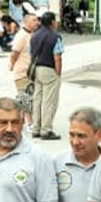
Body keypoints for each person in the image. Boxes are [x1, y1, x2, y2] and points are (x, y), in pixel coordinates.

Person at [30, 12, 64, 140]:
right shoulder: (55, 36)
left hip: (36, 68)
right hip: (49, 68)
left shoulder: (34, 35)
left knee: (38, 99)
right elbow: (57, 56)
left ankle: (36, 128)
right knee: (49, 101)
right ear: (52, 22)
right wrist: (58, 72)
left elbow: (31, 52)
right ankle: (46, 129)